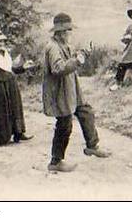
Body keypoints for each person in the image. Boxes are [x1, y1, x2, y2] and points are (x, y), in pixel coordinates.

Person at [43, 13, 111, 172]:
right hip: (60, 91)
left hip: (72, 88)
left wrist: (82, 54)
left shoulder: (63, 45)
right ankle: (55, 161)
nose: (70, 33)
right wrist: (77, 60)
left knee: (85, 111)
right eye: (68, 30)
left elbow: (70, 61)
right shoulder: (52, 47)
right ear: (60, 32)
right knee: (64, 124)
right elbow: (58, 68)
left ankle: (92, 146)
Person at [0, 28, 35, 146]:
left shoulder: (5, 54)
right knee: (1, 111)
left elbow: (12, 70)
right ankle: (1, 137)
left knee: (15, 108)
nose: (1, 44)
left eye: (3, 42)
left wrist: (24, 67)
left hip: (10, 85)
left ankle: (18, 133)